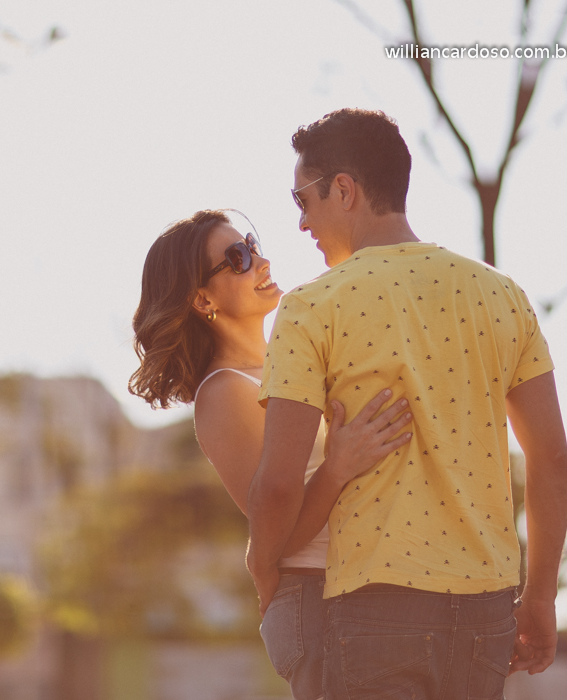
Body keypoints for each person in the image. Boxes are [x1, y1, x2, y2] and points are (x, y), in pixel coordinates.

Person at [245, 108, 567, 700]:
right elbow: (551, 459)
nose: (300, 222)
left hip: (374, 609)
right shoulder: (504, 297)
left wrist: (263, 567)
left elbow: (275, 487)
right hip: (486, 612)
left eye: (303, 199)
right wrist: (541, 596)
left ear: (343, 189)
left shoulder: (313, 307)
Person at [129, 208, 413, 699]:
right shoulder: (224, 392)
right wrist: (339, 466)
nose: (260, 261)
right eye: (237, 257)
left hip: (362, 592)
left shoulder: (293, 364)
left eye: (253, 245)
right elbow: (277, 532)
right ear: (202, 298)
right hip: (316, 600)